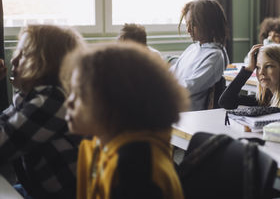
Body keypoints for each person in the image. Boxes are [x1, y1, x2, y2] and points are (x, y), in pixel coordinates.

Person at [64, 43, 189, 199]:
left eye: (79, 94)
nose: (68, 103)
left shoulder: (135, 170)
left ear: (114, 100)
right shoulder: (98, 144)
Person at [0, 25, 84, 199]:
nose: (13, 60)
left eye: (23, 54)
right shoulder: (29, 97)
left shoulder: (54, 100)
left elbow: (3, 144)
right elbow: (4, 125)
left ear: (45, 63)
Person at [170, 0, 229, 111]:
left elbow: (189, 87)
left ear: (208, 24)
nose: (188, 30)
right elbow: (172, 73)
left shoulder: (215, 56)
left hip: (187, 114)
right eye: (187, 24)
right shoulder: (193, 48)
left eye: (193, 25)